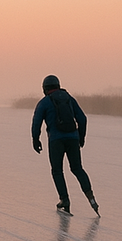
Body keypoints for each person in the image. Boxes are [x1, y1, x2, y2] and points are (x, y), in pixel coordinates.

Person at [31, 75, 98, 216]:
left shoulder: (44, 102)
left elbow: (36, 122)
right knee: (77, 168)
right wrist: (81, 137)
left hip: (56, 140)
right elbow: (82, 119)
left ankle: (64, 200)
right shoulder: (69, 99)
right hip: (73, 138)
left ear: (45, 89)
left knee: (57, 171)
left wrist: (35, 140)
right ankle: (91, 198)